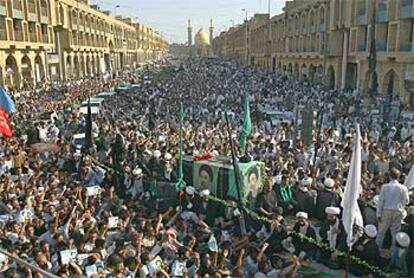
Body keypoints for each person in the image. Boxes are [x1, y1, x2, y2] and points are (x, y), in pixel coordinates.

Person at [376, 168, 409, 255]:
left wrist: (378, 213)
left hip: (386, 210)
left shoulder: (385, 187)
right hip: (398, 211)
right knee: (395, 234)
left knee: (381, 232)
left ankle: (376, 250)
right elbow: (407, 201)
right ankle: (393, 253)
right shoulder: (404, 188)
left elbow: (381, 201)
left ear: (390, 176)